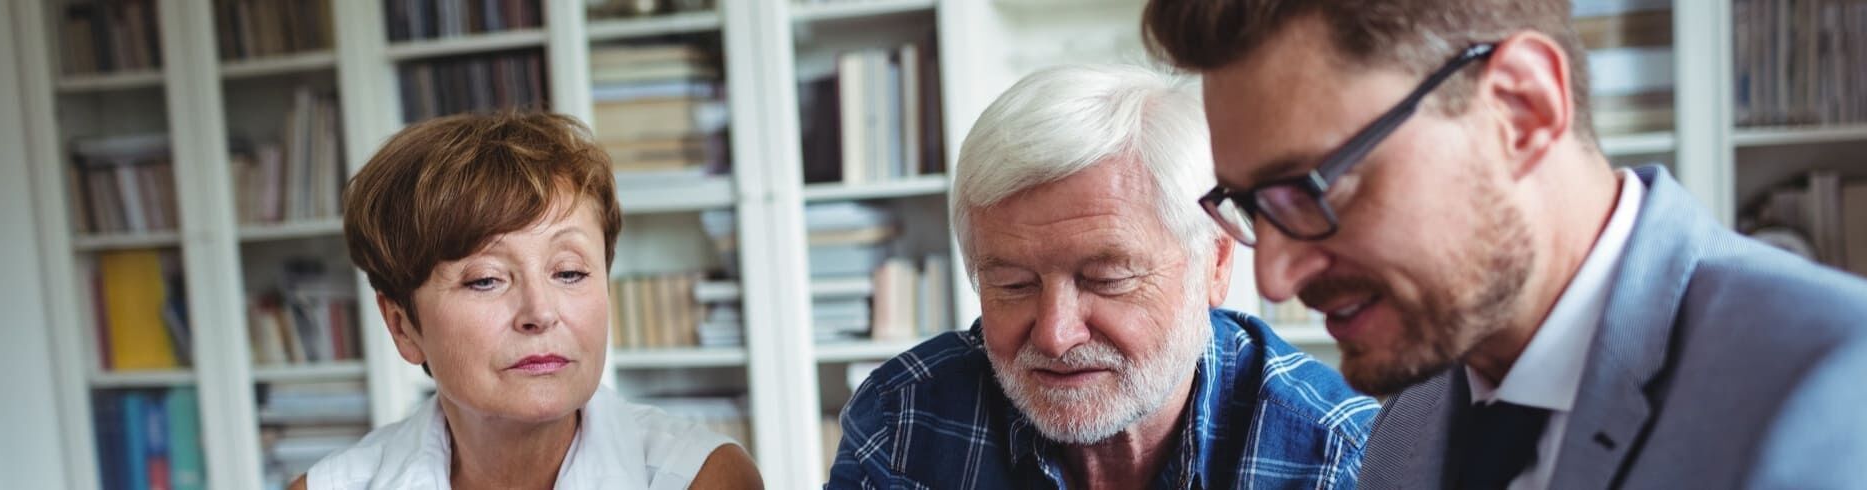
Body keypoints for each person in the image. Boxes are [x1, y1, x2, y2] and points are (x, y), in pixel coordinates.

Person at [1142, 1, 1867, 488]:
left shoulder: (1838, 380)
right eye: (1250, 206)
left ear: (1522, 110)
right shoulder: (1405, 424)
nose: (1273, 276)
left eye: (1314, 190)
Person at [826, 64, 1379, 489]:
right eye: (1014, 284)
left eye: (1107, 278)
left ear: (1215, 264)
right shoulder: (901, 423)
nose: (1054, 334)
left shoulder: (1340, 457)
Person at [293, 112, 764, 489]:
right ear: (402, 326)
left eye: (570, 272)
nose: (540, 313)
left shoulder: (703, 478)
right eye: (485, 280)